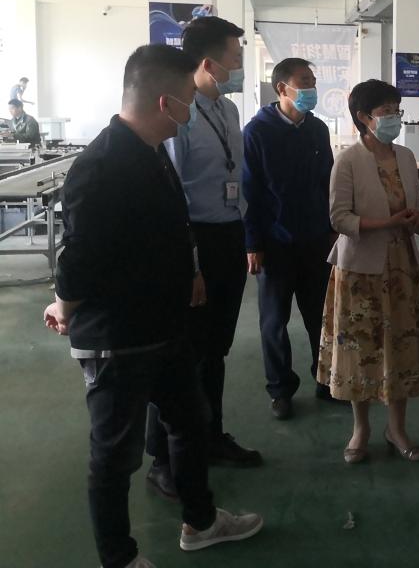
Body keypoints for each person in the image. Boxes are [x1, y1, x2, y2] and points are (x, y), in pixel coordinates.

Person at [43, 44, 262, 568]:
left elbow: (172, 227)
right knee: (114, 455)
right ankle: (119, 558)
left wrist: (190, 273)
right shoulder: (100, 166)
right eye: (189, 97)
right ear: (166, 102)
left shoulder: (150, 151)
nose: (194, 107)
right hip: (118, 337)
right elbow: (79, 258)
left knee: (189, 422)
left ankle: (200, 522)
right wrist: (65, 305)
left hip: (165, 326)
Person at [145, 17, 261, 501]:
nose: (240, 65)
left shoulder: (228, 110)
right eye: (236, 57)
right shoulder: (181, 114)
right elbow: (171, 194)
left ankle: (209, 436)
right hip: (195, 241)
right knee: (182, 355)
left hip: (229, 235)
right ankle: (163, 460)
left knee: (215, 350)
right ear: (210, 64)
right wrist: (191, 264)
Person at [317, 79, 419, 463]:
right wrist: (387, 224)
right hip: (360, 269)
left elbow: (416, 208)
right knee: (360, 348)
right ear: (363, 117)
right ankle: (361, 429)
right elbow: (339, 218)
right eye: (386, 112)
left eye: (396, 110)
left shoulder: (405, 157)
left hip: (402, 267)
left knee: (400, 346)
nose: (394, 118)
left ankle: (396, 428)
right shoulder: (348, 161)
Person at [243, 57, 336, 420]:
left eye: (313, 81)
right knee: (274, 321)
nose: (311, 88)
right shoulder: (257, 132)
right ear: (282, 88)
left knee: (321, 317)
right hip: (274, 243)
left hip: (315, 240)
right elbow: (250, 192)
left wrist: (332, 229)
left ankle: (325, 379)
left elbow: (328, 183)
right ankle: (280, 389)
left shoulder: (317, 130)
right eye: (304, 81)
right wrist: (253, 243)